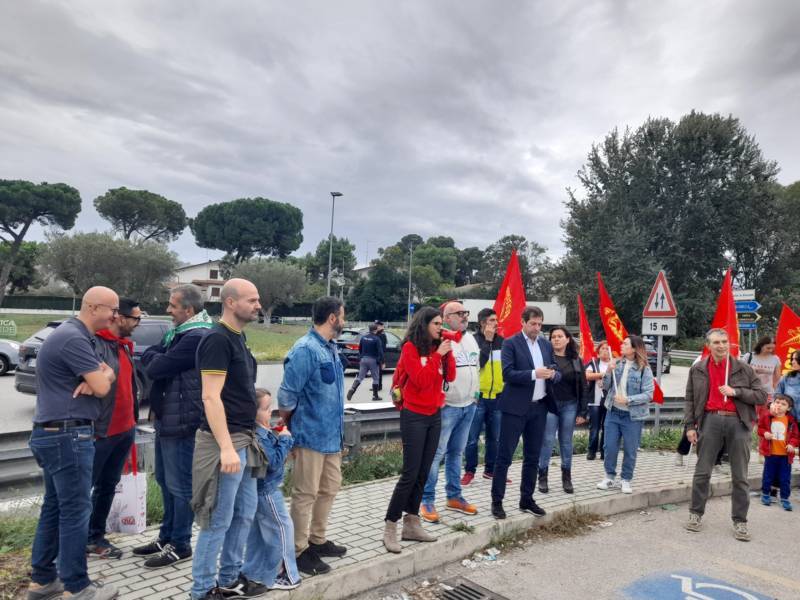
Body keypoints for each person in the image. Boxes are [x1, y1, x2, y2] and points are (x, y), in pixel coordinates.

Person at [27, 287, 119, 600]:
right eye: (112, 310)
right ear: (93, 307)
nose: (115, 316)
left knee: (55, 507)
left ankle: (43, 580)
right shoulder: (74, 338)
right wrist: (103, 377)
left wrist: (104, 375)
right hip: (68, 436)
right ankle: (77, 586)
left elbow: (104, 377)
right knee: (76, 511)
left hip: (54, 434)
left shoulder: (75, 336)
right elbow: (102, 386)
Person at [190, 279, 266, 600]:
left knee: (245, 512)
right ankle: (202, 590)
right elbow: (211, 397)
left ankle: (230, 578)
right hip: (226, 443)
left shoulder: (238, 337)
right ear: (231, 302)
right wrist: (225, 448)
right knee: (217, 519)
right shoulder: (217, 340)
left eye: (258, 299)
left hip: (244, 439)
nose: (258, 305)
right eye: (252, 300)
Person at [133, 284, 212, 568]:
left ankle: (180, 544)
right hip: (168, 419)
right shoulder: (177, 334)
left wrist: (157, 356)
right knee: (165, 481)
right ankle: (165, 537)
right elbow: (155, 355)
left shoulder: (196, 337)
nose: (168, 310)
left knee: (180, 487)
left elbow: (154, 367)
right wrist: (158, 355)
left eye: (172, 305)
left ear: (188, 310)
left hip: (183, 423)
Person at [278, 297, 347, 577]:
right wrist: (290, 430)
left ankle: (317, 540)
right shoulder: (305, 349)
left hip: (331, 437)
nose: (344, 320)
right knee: (305, 494)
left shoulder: (329, 348)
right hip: (309, 435)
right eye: (343, 315)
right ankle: (297, 550)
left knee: (329, 488)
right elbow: (287, 396)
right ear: (332, 318)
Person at [684, 328, 767, 542]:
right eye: (716, 342)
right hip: (710, 420)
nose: (721, 346)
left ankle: (740, 521)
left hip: (737, 422)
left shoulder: (744, 368)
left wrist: (736, 392)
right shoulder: (698, 369)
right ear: (708, 345)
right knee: (702, 472)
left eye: (724, 341)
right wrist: (690, 426)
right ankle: (695, 513)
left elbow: (761, 396)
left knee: (740, 475)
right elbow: (690, 399)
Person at [383, 307, 455, 553]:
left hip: (434, 415)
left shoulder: (438, 349)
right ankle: (390, 526)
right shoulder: (409, 349)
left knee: (424, 472)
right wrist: (437, 356)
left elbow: (450, 377)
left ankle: (412, 524)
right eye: (436, 324)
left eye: (441, 324)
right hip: (413, 415)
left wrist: (446, 354)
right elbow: (421, 380)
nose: (440, 328)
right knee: (410, 474)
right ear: (424, 325)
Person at [491, 306, 560, 520]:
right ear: (523, 322)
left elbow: (555, 368)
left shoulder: (545, 344)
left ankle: (526, 499)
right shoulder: (510, 343)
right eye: (533, 324)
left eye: (540, 324)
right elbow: (507, 373)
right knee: (505, 457)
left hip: (539, 408)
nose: (536, 328)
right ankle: (497, 501)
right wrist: (533, 374)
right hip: (515, 408)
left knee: (532, 457)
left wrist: (553, 374)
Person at [86, 298, 142, 560]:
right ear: (119, 317)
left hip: (124, 429)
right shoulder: (96, 344)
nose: (138, 324)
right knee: (84, 489)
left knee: (107, 486)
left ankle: (94, 537)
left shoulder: (124, 346)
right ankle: (70, 544)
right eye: (135, 318)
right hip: (101, 431)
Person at [420, 301, 480, 523]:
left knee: (456, 453)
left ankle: (454, 496)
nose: (464, 316)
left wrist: (475, 395)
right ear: (446, 318)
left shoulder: (471, 338)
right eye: (459, 313)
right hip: (447, 407)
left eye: (466, 313)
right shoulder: (439, 340)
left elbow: (476, 368)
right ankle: (427, 499)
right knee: (436, 454)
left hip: (469, 405)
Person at [235, 389, 300, 591]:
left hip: (258, 490)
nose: (270, 411)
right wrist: (285, 439)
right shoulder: (259, 436)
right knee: (282, 529)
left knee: (257, 534)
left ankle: (253, 571)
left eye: (270, 406)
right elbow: (273, 462)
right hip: (268, 491)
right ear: (252, 411)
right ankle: (286, 574)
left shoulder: (257, 431)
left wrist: (275, 434)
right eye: (265, 408)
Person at [596, 336, 654, 494]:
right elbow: (606, 386)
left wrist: (628, 399)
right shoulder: (617, 363)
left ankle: (626, 479)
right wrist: (608, 371)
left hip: (632, 417)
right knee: (609, 447)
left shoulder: (644, 369)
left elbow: (648, 394)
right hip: (613, 413)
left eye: (625, 343)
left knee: (630, 449)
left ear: (634, 348)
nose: (621, 345)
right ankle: (609, 476)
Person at [538, 326, 589, 494]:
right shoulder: (545, 357)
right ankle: (542, 477)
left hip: (570, 405)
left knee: (566, 441)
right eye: (553, 337)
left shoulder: (576, 360)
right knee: (547, 440)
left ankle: (566, 478)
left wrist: (582, 411)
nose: (556, 339)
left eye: (560, 336)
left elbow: (583, 386)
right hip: (550, 405)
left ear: (567, 339)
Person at [462, 308, 505, 485]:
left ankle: (490, 471)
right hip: (478, 398)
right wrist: (487, 340)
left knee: (494, 439)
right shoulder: (473, 341)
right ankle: (469, 471)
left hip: (497, 397)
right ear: (482, 323)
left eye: (496, 320)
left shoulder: (502, 341)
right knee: (472, 439)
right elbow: (478, 363)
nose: (496, 323)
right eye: (492, 320)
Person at [757, 394, 798, 511]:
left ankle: (785, 498)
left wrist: (792, 444)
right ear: (773, 403)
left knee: (785, 478)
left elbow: (795, 436)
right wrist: (765, 433)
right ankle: (765, 494)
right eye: (777, 402)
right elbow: (760, 428)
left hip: (785, 456)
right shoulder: (767, 416)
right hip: (771, 454)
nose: (779, 405)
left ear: (788, 408)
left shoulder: (791, 421)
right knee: (768, 475)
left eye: (783, 404)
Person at [346, 323, 384, 402]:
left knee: (360, 377)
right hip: (373, 360)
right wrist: (382, 361)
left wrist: (361, 357)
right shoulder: (377, 339)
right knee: (376, 378)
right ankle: (375, 396)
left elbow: (360, 349)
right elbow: (380, 351)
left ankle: (352, 389)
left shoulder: (363, 338)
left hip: (363, 359)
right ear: (376, 330)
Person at [585, 340, 610, 461]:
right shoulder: (594, 363)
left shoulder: (613, 364)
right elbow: (587, 375)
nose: (605, 351)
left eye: (607, 349)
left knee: (607, 427)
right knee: (594, 428)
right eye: (602, 349)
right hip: (594, 400)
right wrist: (602, 375)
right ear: (598, 352)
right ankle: (591, 451)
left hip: (609, 401)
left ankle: (604, 451)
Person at [741, 336, 782, 402]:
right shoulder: (748, 356)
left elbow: (777, 379)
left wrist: (776, 394)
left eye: (772, 348)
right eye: (768, 348)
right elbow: (739, 371)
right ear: (761, 345)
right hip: (749, 392)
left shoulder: (775, 359)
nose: (770, 350)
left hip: (767, 394)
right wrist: (752, 370)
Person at [775, 350, 800, 421]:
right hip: (790, 420)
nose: (793, 362)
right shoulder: (786, 378)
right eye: (792, 359)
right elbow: (777, 395)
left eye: (796, 359)